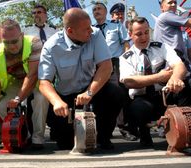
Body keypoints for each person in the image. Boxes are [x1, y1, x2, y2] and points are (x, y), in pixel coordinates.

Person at [38, 8, 125, 150]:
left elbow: (106, 67)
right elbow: (44, 82)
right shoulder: (51, 46)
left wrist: (89, 93)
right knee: (65, 144)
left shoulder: (95, 35)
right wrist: (56, 102)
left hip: (91, 90)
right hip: (65, 98)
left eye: (90, 27)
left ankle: (103, 136)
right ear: (70, 31)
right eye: (86, 29)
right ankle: (62, 131)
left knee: (116, 93)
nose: (91, 31)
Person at [120, 17, 191, 147]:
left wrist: (175, 78)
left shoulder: (162, 47)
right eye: (139, 34)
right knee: (138, 108)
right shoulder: (126, 57)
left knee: (184, 86)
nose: (144, 37)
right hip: (143, 98)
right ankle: (144, 132)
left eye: (146, 32)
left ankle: (184, 129)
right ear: (130, 35)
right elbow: (129, 82)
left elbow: (180, 65)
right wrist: (159, 77)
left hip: (165, 94)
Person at [0, 18, 48, 148]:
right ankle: (22, 134)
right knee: (2, 106)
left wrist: (18, 98)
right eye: (7, 42)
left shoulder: (34, 42)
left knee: (41, 98)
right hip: (15, 81)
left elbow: (32, 75)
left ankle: (37, 138)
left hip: (35, 80)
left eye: (15, 41)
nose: (12, 46)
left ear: (22, 35)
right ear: (1, 39)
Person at [93, 2, 134, 141]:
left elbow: (126, 44)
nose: (96, 11)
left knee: (119, 95)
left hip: (114, 63)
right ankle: (101, 131)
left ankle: (124, 128)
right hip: (96, 65)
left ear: (105, 12)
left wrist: (126, 63)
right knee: (98, 97)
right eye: (94, 9)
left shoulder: (116, 25)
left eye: (99, 9)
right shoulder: (90, 29)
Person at [23, 4, 58, 141]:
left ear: (46, 15)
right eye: (34, 12)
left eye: (39, 12)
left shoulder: (54, 31)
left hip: (51, 72)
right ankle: (32, 135)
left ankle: (54, 130)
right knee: (34, 103)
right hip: (32, 71)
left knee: (49, 101)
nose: (36, 14)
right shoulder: (26, 31)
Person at [153, 0, 191, 69]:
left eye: (175, 2)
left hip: (170, 60)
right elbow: (189, 22)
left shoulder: (163, 18)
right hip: (172, 59)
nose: (173, 5)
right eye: (170, 3)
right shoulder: (166, 15)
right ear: (162, 7)